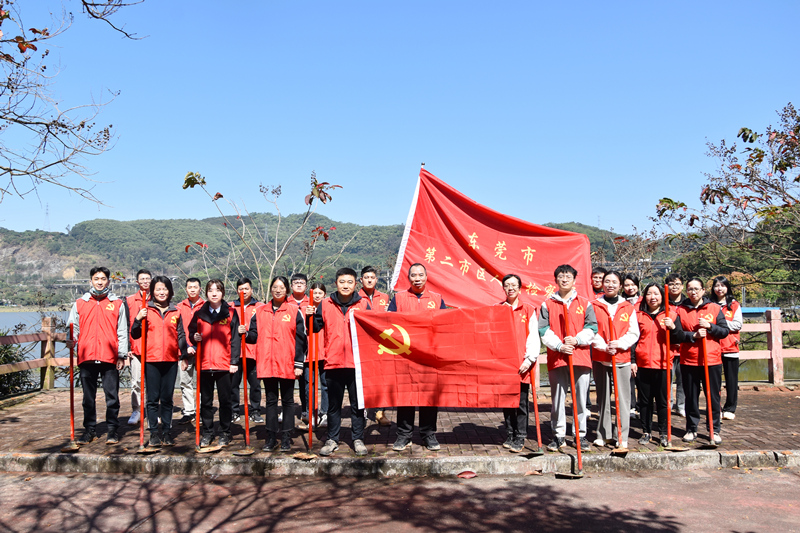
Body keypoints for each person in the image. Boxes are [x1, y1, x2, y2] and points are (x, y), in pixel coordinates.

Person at [388, 263, 447, 452]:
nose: (417, 278)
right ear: (409, 278)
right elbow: (388, 324)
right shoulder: (398, 298)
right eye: (413, 275)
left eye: (421, 275)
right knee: (405, 396)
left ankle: (428, 434)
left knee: (429, 397)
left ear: (426, 277)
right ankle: (403, 435)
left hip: (429, 357)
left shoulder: (437, 299)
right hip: (405, 356)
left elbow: (445, 325)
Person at [538, 264, 597, 452]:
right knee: (558, 399)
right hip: (558, 357)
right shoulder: (548, 304)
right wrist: (559, 345)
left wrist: (577, 340)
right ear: (556, 279)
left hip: (580, 357)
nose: (564, 279)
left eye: (568, 276)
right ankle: (558, 435)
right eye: (561, 276)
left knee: (580, 399)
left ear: (574, 280)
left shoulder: (585, 303)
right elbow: (543, 330)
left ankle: (580, 435)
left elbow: (592, 328)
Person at [244, 276, 306, 452]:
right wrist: (245, 334)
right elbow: (253, 336)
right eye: (275, 287)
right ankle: (271, 437)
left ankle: (286, 436)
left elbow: (301, 339)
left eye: (282, 287)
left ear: (287, 290)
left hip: (287, 362)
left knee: (287, 400)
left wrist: (298, 363)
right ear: (270, 289)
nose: (278, 290)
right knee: (270, 400)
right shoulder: (260, 311)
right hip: (267, 362)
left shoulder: (294, 311)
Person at [67, 266, 128, 445]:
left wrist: (121, 355)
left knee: (112, 397)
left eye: (103, 279)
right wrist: (71, 339)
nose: (100, 282)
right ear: (91, 281)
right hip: (86, 356)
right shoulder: (80, 303)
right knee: (88, 398)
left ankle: (112, 430)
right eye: (96, 279)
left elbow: (122, 331)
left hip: (109, 357)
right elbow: (73, 327)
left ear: (108, 281)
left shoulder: (117, 303)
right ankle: (90, 430)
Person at [316, 268, 372, 456]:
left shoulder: (363, 304)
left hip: (357, 364)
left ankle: (358, 439)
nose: (345, 285)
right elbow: (314, 327)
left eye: (349, 282)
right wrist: (310, 315)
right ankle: (332, 439)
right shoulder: (325, 304)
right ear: (336, 283)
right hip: (334, 362)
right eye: (342, 282)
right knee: (334, 405)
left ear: (355, 284)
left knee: (358, 405)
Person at [130, 276, 188, 447]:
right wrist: (138, 319)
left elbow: (181, 335)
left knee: (167, 398)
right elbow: (135, 334)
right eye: (158, 289)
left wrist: (184, 356)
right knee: (153, 398)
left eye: (165, 289)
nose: (162, 292)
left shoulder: (176, 311)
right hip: (151, 360)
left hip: (170, 360)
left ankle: (167, 432)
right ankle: (154, 432)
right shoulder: (146, 310)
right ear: (152, 291)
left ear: (169, 291)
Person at [188, 279, 242, 448]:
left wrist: (234, 361)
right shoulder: (199, 313)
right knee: (206, 402)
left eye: (217, 290)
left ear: (222, 293)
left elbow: (235, 339)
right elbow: (191, 332)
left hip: (223, 364)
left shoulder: (231, 313)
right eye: (210, 290)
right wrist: (194, 338)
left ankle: (225, 432)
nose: (214, 293)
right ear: (206, 293)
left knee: (225, 401)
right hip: (204, 364)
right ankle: (208, 432)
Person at [676, 277, 729, 444]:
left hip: (711, 360)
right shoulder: (680, 310)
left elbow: (724, 331)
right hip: (689, 360)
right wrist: (693, 335)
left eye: (696, 289)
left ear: (703, 291)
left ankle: (714, 429)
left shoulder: (714, 308)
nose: (693, 292)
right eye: (690, 289)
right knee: (691, 397)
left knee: (713, 397)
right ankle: (691, 429)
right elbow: (676, 334)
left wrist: (710, 326)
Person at [591, 271, 640, 450]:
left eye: (614, 282)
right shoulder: (594, 305)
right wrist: (604, 346)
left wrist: (619, 344)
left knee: (623, 398)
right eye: (607, 281)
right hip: (601, 357)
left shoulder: (627, 306)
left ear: (620, 285)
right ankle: (603, 434)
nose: (610, 284)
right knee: (603, 398)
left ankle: (622, 435)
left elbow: (634, 332)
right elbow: (591, 329)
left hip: (621, 357)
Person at [635, 283, 684, 447]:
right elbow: (633, 340)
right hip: (643, 364)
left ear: (662, 296)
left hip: (663, 364)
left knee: (663, 401)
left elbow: (679, 338)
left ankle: (663, 432)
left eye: (656, 293)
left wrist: (673, 327)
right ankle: (646, 431)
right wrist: (633, 361)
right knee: (645, 401)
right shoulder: (638, 315)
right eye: (649, 293)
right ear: (645, 297)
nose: (653, 297)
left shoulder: (671, 315)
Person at [499, 274, 541, 453]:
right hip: (503, 364)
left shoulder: (528, 310)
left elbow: (533, 337)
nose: (510, 288)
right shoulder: (498, 309)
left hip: (522, 363)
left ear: (519, 287)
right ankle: (510, 433)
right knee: (506, 401)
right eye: (507, 285)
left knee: (522, 402)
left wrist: (529, 359)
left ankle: (521, 435)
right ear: (503, 288)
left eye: (514, 285)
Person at [358, 265, 392, 427]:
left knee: (382, 379)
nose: (369, 280)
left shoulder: (385, 297)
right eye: (366, 278)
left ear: (376, 280)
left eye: (372, 278)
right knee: (363, 379)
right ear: (361, 280)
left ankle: (380, 412)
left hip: (382, 344)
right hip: (363, 343)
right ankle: (363, 410)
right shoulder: (355, 298)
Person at [230, 277, 264, 424]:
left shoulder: (260, 307)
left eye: (246, 288)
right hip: (235, 353)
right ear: (237, 290)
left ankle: (255, 411)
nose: (243, 291)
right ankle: (234, 410)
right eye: (241, 289)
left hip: (254, 352)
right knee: (233, 384)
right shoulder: (230, 307)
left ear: (251, 290)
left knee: (255, 384)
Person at [711, 275, 742, 420]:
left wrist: (719, 324)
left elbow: (738, 324)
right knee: (714, 381)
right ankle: (715, 407)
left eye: (722, 285)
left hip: (730, 347)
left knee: (731, 380)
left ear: (727, 287)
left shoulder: (734, 304)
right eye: (717, 285)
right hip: (714, 348)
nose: (719, 288)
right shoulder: (709, 304)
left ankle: (730, 408)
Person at [176, 278, 204, 425]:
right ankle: (189, 411)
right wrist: (186, 347)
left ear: (200, 289)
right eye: (190, 287)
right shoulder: (179, 307)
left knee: (202, 381)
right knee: (185, 381)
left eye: (195, 287)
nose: (192, 290)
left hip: (202, 350)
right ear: (186, 289)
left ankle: (201, 409)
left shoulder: (206, 307)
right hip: (184, 349)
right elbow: (178, 330)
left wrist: (196, 346)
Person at [125, 269, 152, 426]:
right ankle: (137, 409)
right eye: (142, 279)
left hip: (153, 348)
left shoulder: (157, 299)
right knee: (136, 381)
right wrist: (127, 346)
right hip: (136, 348)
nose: (145, 281)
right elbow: (125, 324)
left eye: (147, 278)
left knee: (153, 382)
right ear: (137, 282)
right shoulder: (129, 301)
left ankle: (153, 410)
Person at [290, 273, 311, 429]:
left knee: (306, 382)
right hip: (288, 348)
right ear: (291, 286)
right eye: (295, 282)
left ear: (306, 285)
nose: (298, 285)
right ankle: (286, 410)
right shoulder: (285, 302)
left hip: (307, 348)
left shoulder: (311, 302)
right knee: (287, 381)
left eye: (301, 282)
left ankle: (306, 410)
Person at [306, 281, 329, 428]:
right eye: (315, 293)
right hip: (309, 352)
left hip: (325, 352)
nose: (317, 295)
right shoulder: (305, 308)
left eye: (320, 293)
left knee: (325, 384)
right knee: (310, 385)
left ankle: (325, 413)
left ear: (324, 294)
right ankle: (311, 413)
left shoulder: (328, 308)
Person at [665, 273, 687, 417]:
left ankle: (681, 405)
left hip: (685, 347)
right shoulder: (663, 303)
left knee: (683, 379)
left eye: (677, 284)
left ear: (682, 286)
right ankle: (668, 404)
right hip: (668, 347)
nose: (674, 287)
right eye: (671, 284)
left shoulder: (687, 303)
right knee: (668, 378)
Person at [622, 273, 641, 417]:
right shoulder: (621, 303)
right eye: (627, 285)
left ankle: (641, 406)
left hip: (643, 344)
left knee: (642, 379)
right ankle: (631, 406)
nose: (630, 288)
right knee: (629, 379)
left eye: (633, 285)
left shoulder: (644, 302)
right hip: (627, 344)